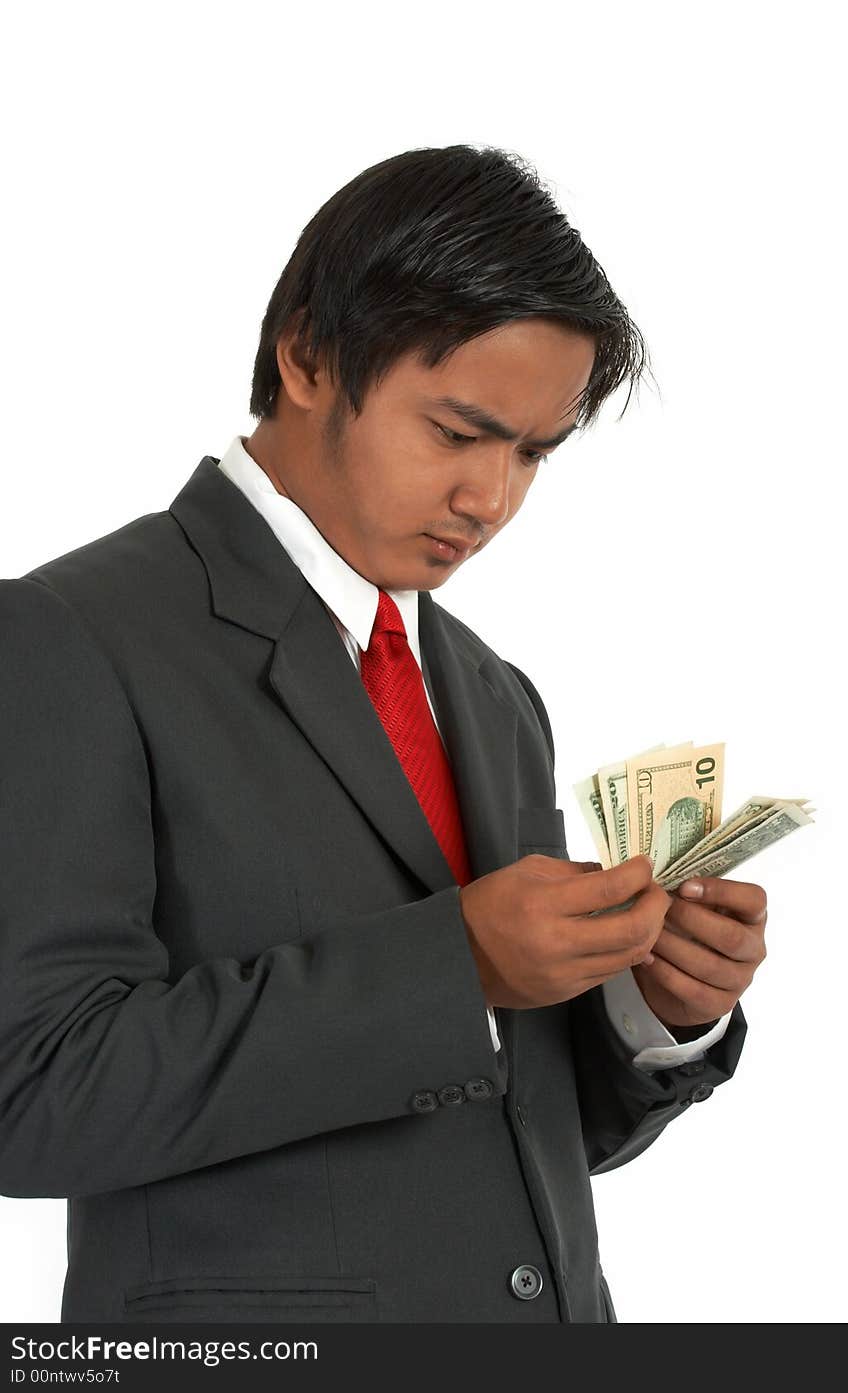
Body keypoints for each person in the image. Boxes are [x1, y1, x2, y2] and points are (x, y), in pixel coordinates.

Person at [0, 144, 767, 1324]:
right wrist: (451, 967)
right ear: (307, 355)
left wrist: (652, 1014)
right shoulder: (67, 635)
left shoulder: (492, 693)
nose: (492, 499)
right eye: (459, 433)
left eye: (531, 453)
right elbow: (33, 1097)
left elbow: (505, 1132)